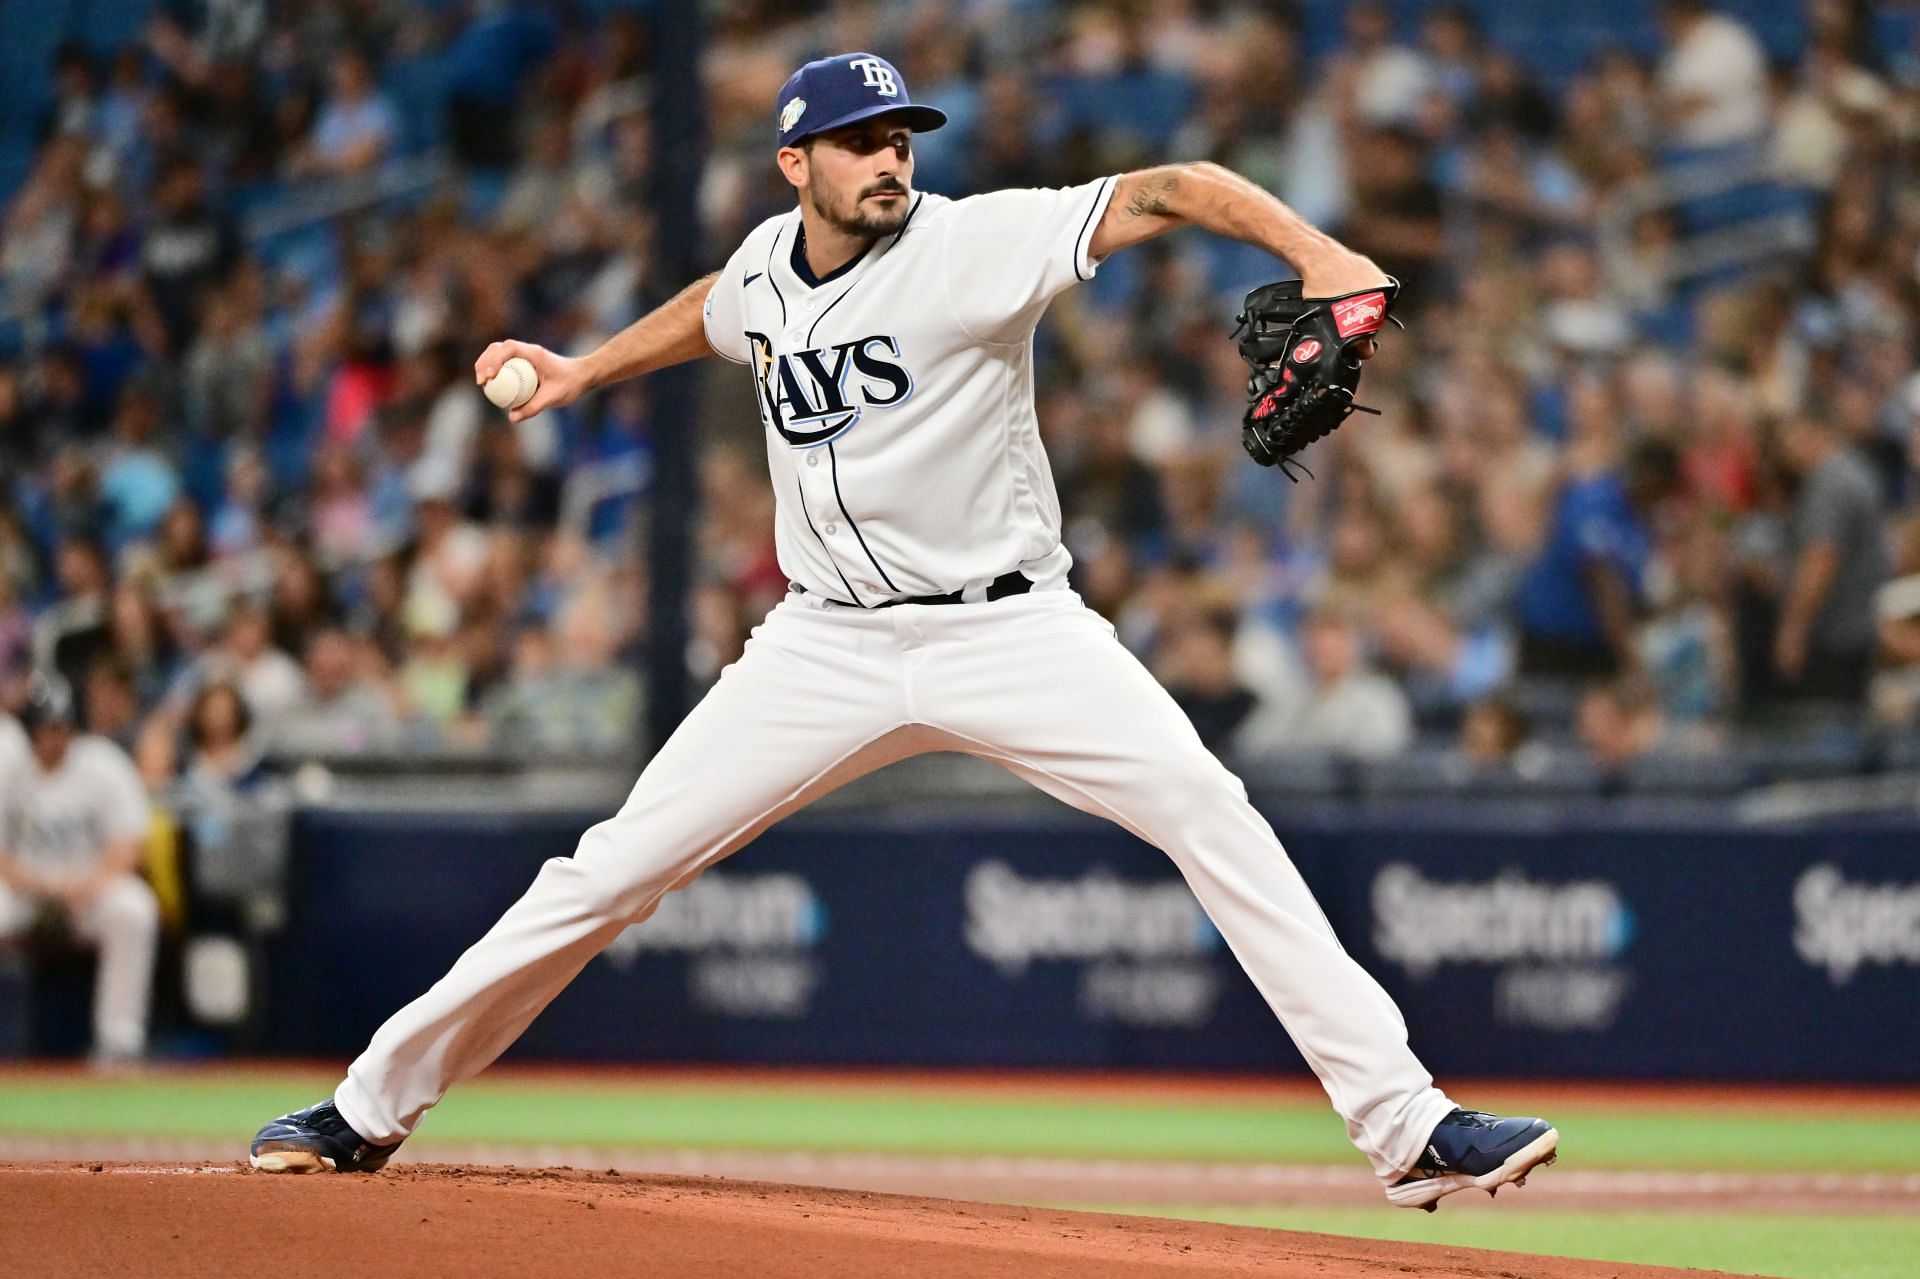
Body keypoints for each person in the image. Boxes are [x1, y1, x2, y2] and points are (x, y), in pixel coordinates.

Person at [252, 51, 1557, 1211]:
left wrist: (1320, 260)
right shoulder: (766, 262)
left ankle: (1408, 1124)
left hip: (1015, 631)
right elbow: (718, 304)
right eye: (862, 140)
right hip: (822, 647)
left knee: (1209, 807)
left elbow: (1171, 185)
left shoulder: (973, 243)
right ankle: (366, 1107)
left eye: (901, 137)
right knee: (605, 872)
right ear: (794, 162)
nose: (891, 158)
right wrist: (589, 368)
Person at [0, 672, 159, 1067]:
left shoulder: (103, 764)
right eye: (44, 728)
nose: (54, 737)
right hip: (23, 889)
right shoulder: (7, 766)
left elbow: (129, 847)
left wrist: (85, 886)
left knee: (133, 907)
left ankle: (119, 1040)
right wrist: (43, 887)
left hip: (89, 890)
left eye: (60, 727)